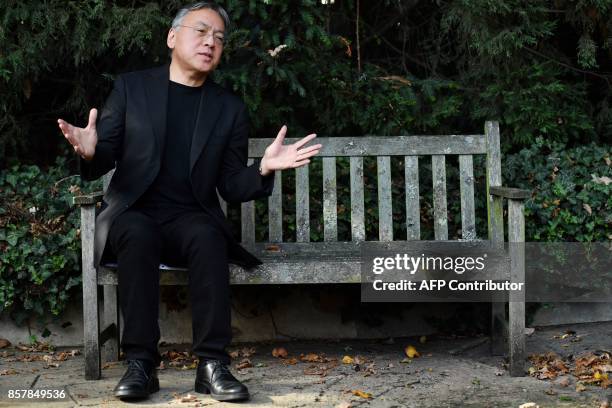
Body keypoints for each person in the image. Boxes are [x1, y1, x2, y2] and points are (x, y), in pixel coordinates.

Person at [57, 1, 321, 402]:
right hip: (135, 212)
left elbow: (231, 185)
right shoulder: (133, 88)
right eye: (201, 31)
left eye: (218, 37)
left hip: (189, 217)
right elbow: (104, 153)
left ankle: (212, 365)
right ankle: (141, 364)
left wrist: (263, 169)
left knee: (207, 235)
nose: (210, 42)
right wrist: (91, 152)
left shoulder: (228, 108)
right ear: (172, 36)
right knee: (138, 233)